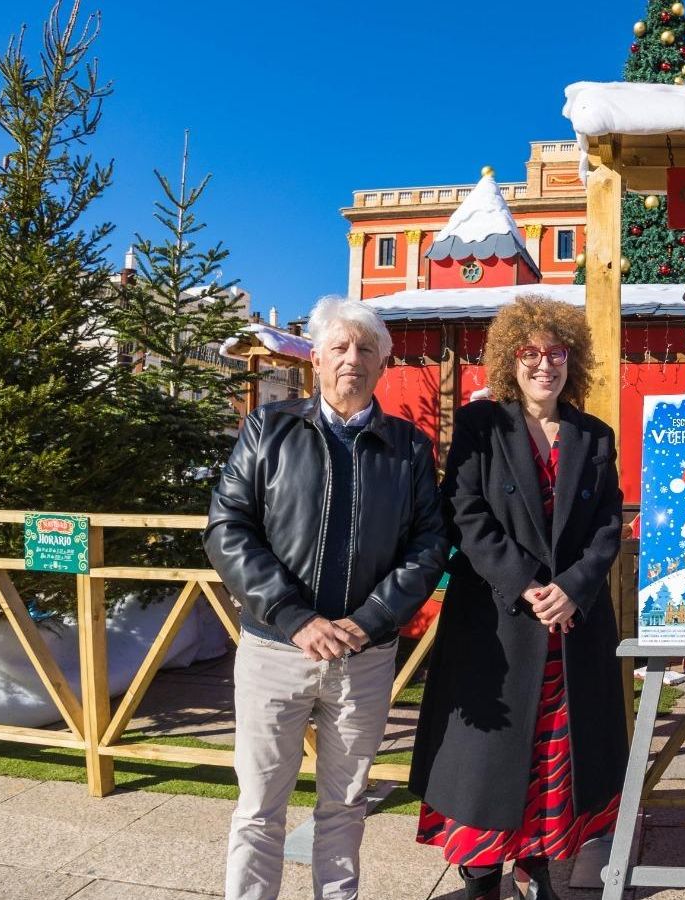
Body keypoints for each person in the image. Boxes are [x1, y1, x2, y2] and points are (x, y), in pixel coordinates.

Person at [206, 297, 449, 900]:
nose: (351, 359)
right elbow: (228, 529)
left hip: (363, 658)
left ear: (382, 365)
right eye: (339, 347)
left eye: (366, 349)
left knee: (345, 803)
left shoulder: (407, 448)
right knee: (260, 805)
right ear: (315, 359)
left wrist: (371, 620)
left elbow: (428, 544)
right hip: (275, 650)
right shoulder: (268, 429)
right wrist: (294, 617)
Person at [410, 294, 627, 900]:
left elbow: (609, 524)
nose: (543, 365)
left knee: (554, 756)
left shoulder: (595, 435)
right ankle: (481, 877)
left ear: (571, 360)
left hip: (569, 630)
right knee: (486, 761)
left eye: (555, 353)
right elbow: (465, 512)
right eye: (530, 353)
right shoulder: (481, 426)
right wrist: (527, 583)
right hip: (498, 622)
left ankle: (540, 867)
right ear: (511, 359)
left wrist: (573, 589)